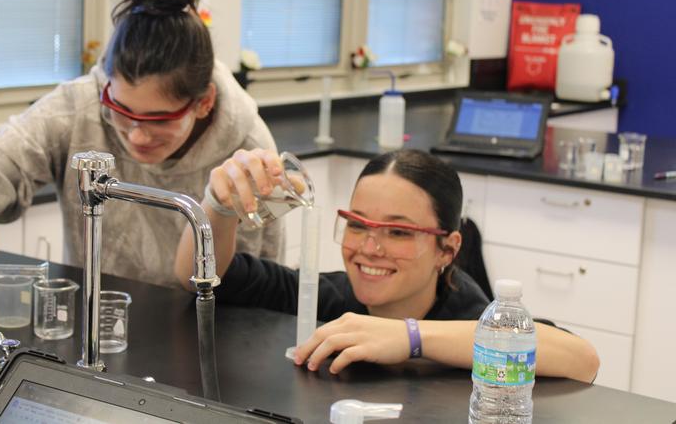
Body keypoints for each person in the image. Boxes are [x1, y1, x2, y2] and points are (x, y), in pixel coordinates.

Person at [0, 0, 282, 286]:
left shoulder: (247, 148)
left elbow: (264, 285)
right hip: (96, 319)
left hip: (209, 329)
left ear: (204, 103)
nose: (136, 135)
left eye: (158, 119)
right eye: (120, 109)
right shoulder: (79, 108)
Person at [175, 148, 600, 382]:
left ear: (447, 250)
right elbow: (202, 277)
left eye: (398, 232)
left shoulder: (467, 313)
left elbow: (583, 359)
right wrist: (219, 205)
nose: (370, 248)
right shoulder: (333, 297)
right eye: (358, 225)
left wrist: (408, 336)